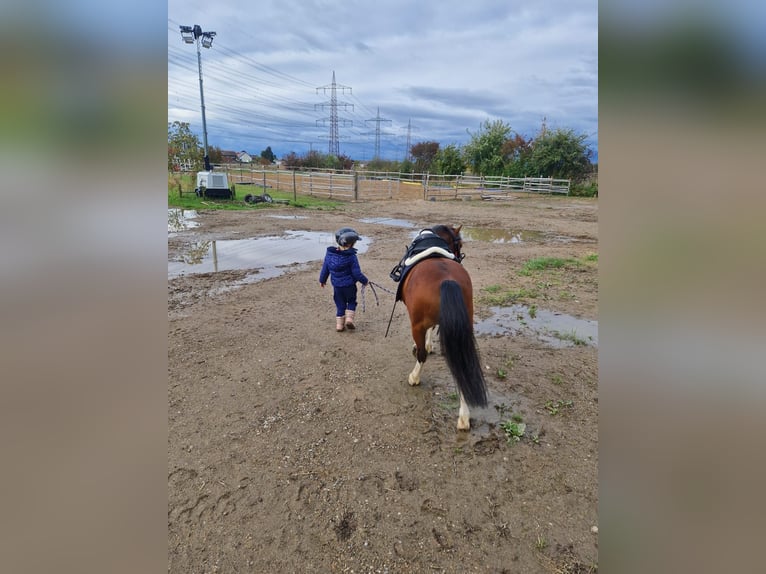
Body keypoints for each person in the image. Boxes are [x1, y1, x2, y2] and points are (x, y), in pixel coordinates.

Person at [319, 227, 369, 332]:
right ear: (350, 244)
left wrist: (322, 280)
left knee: (340, 305)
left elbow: (325, 268)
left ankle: (339, 326)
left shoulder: (330, 254)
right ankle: (349, 320)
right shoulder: (351, 256)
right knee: (351, 301)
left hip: (337, 286)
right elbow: (356, 273)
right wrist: (365, 281)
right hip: (349, 286)